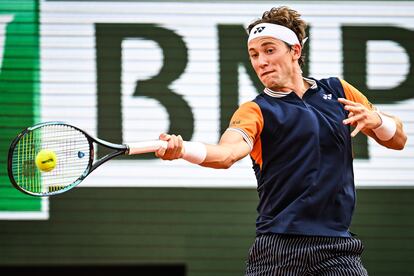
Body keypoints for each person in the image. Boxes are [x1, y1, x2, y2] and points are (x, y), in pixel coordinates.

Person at [155, 6, 407, 275]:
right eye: (254, 54)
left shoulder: (338, 91)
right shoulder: (255, 110)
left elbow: (399, 139)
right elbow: (226, 154)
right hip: (278, 251)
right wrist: (183, 149)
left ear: (295, 51)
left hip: (339, 249)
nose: (260, 61)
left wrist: (379, 121)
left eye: (269, 49)